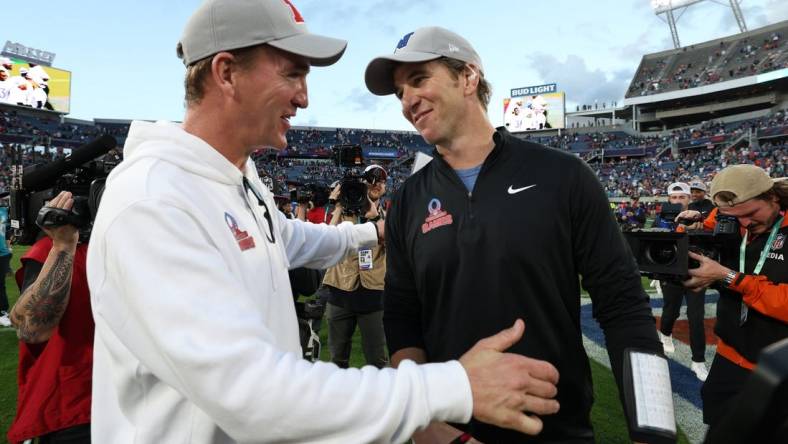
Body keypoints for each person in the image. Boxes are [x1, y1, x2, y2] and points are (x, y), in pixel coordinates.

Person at [86, 2, 559, 443]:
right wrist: (454, 386)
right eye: (293, 73)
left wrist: (373, 231)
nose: (305, 98)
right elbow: (252, 393)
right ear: (226, 73)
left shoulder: (234, 177)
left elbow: (285, 237)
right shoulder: (153, 201)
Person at [365, 26, 666, 443]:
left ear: (468, 78)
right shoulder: (410, 200)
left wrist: (655, 432)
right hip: (450, 434)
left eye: (418, 80)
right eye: (399, 92)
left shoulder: (563, 176)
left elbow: (623, 306)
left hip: (555, 429)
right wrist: (425, 424)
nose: (407, 101)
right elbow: (402, 317)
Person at [681, 164, 788, 427]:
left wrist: (728, 277)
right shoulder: (732, 219)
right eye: (734, 217)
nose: (745, 223)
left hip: (779, 367)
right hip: (729, 354)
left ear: (773, 197)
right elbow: (700, 244)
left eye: (750, 214)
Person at [7, 191, 93, 443]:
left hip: (124, 400)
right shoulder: (55, 250)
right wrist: (63, 245)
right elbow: (31, 328)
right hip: (78, 407)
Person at [323, 164, 389, 369]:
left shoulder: (388, 215)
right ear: (362, 183)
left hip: (373, 296)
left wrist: (375, 217)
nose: (376, 183)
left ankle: (381, 400)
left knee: (377, 360)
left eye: (381, 180)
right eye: (371, 179)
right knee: (336, 360)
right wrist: (339, 206)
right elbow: (326, 244)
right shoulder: (343, 213)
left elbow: (394, 245)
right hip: (339, 291)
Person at [653, 182, 709, 381]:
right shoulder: (661, 219)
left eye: (682, 197)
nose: (677, 201)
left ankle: (699, 361)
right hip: (671, 274)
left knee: (696, 317)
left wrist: (699, 224)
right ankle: (666, 334)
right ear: (669, 199)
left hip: (694, 272)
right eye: (674, 198)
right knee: (671, 311)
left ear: (689, 199)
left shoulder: (698, 217)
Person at [0, 204, 11, 327]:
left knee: (0, 285)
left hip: (3, 254)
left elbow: (7, 230)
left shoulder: (3, 210)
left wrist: (8, 247)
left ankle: (2, 313)